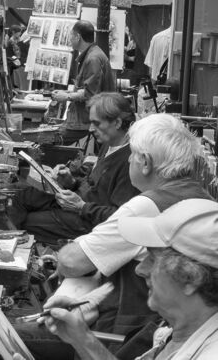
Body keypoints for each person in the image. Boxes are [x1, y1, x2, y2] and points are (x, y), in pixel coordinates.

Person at [16, 114, 212, 360]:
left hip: (127, 331)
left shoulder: (147, 206)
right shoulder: (203, 200)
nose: (143, 269)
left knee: (9, 335)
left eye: (131, 154)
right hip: (151, 328)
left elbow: (73, 262)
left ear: (146, 162)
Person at [42, 198, 218, 360]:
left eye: (152, 259)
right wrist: (81, 337)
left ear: (190, 279)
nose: (140, 269)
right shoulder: (178, 331)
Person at [6, 92, 138, 244]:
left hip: (88, 219)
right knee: (21, 194)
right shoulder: (108, 143)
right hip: (78, 201)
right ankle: (5, 242)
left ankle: (10, 249)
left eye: (97, 123)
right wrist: (71, 182)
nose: (90, 129)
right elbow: (93, 184)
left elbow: (119, 217)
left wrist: (81, 207)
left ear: (117, 123)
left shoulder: (130, 161)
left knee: (29, 221)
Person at [52, 20, 115, 145]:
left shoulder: (93, 58)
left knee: (50, 140)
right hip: (88, 118)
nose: (69, 39)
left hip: (89, 120)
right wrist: (67, 92)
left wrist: (66, 96)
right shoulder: (92, 54)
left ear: (78, 37)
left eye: (71, 35)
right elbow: (87, 88)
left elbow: (91, 94)